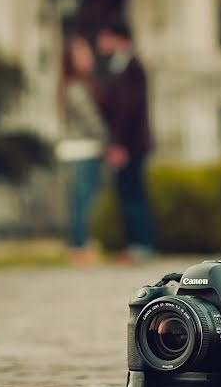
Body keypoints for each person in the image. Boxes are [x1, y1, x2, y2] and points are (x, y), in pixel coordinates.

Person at [95, 18, 155, 261]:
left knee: (133, 195)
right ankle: (135, 245)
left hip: (131, 145)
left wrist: (118, 144)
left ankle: (141, 246)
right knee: (127, 194)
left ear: (119, 39)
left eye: (104, 37)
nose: (100, 43)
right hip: (126, 144)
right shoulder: (117, 66)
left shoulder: (132, 67)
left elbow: (128, 109)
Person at [56, 34, 108, 265]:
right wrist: (109, 140)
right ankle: (80, 248)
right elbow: (91, 120)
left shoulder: (76, 84)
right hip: (82, 149)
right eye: (82, 54)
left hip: (80, 149)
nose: (88, 57)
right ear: (71, 60)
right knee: (83, 202)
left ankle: (80, 246)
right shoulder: (76, 88)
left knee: (81, 201)